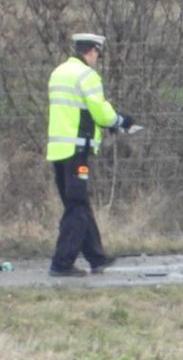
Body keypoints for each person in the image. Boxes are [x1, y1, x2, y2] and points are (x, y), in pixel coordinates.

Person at [47, 33, 134, 277]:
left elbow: (75, 110)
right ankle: (61, 263)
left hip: (58, 149)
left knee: (78, 203)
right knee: (76, 206)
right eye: (98, 53)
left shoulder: (59, 72)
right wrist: (121, 120)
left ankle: (97, 257)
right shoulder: (87, 76)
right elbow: (100, 112)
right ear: (92, 51)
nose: (97, 58)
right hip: (78, 149)